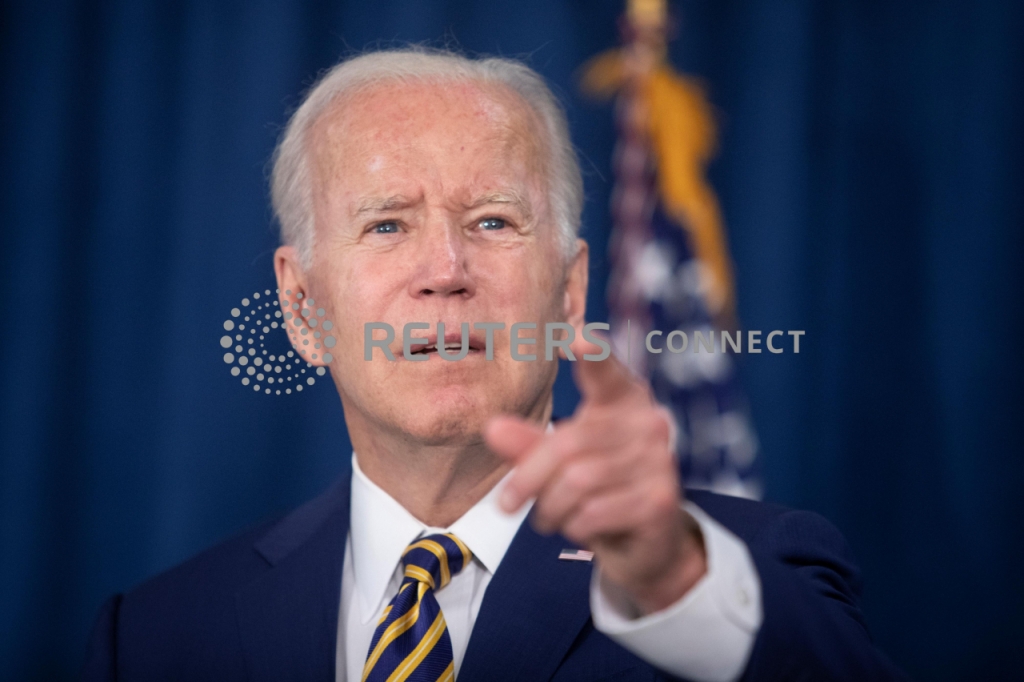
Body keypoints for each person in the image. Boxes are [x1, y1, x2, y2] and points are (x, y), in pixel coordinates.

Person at [82, 49, 906, 682]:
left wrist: (675, 580)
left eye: (493, 221)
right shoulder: (155, 634)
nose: (445, 268)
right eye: (386, 226)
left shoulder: (733, 571)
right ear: (301, 309)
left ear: (568, 291)